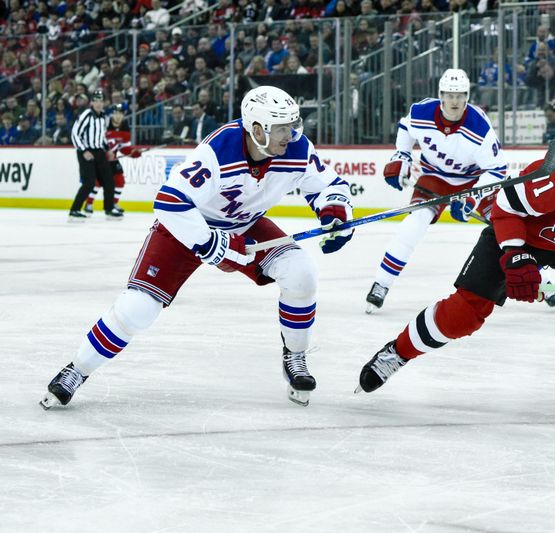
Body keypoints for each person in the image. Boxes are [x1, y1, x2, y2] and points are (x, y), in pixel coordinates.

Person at [41, 86, 355, 410]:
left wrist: (334, 213)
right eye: (282, 128)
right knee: (137, 309)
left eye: (293, 125)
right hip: (185, 227)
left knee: (301, 273)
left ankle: (296, 355)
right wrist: (211, 244)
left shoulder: (297, 149)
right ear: (257, 129)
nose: (290, 134)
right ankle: (77, 369)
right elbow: (169, 202)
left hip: (243, 226)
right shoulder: (220, 149)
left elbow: (330, 185)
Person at [357, 103, 555, 412]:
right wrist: (515, 255)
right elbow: (505, 207)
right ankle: (397, 353)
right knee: (464, 314)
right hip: (523, 234)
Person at [364, 69, 509, 312]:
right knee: (415, 222)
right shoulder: (421, 112)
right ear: (440, 95)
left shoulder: (479, 128)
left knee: (503, 226)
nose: (455, 101)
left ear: (467, 96)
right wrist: (401, 156)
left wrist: (471, 198)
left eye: (460, 96)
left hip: (473, 181)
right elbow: (405, 129)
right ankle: (381, 283)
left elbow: (498, 170)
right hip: (434, 178)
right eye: (450, 95)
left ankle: (538, 281)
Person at [68, 89, 121, 221]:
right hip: (86, 152)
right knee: (89, 183)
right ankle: (74, 210)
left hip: (99, 152)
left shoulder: (103, 116)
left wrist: (107, 149)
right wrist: (83, 151)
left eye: (101, 101)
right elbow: (75, 134)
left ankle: (109, 209)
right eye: (96, 101)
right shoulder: (86, 114)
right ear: (91, 102)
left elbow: (100, 136)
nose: (98, 103)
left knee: (109, 180)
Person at [84, 104, 141, 215]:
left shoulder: (125, 130)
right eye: (115, 113)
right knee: (97, 183)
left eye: (120, 113)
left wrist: (133, 153)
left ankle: (114, 203)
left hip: (112, 160)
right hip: (99, 159)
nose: (118, 116)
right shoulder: (103, 126)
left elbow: (124, 148)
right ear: (111, 115)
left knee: (119, 181)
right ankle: (89, 204)